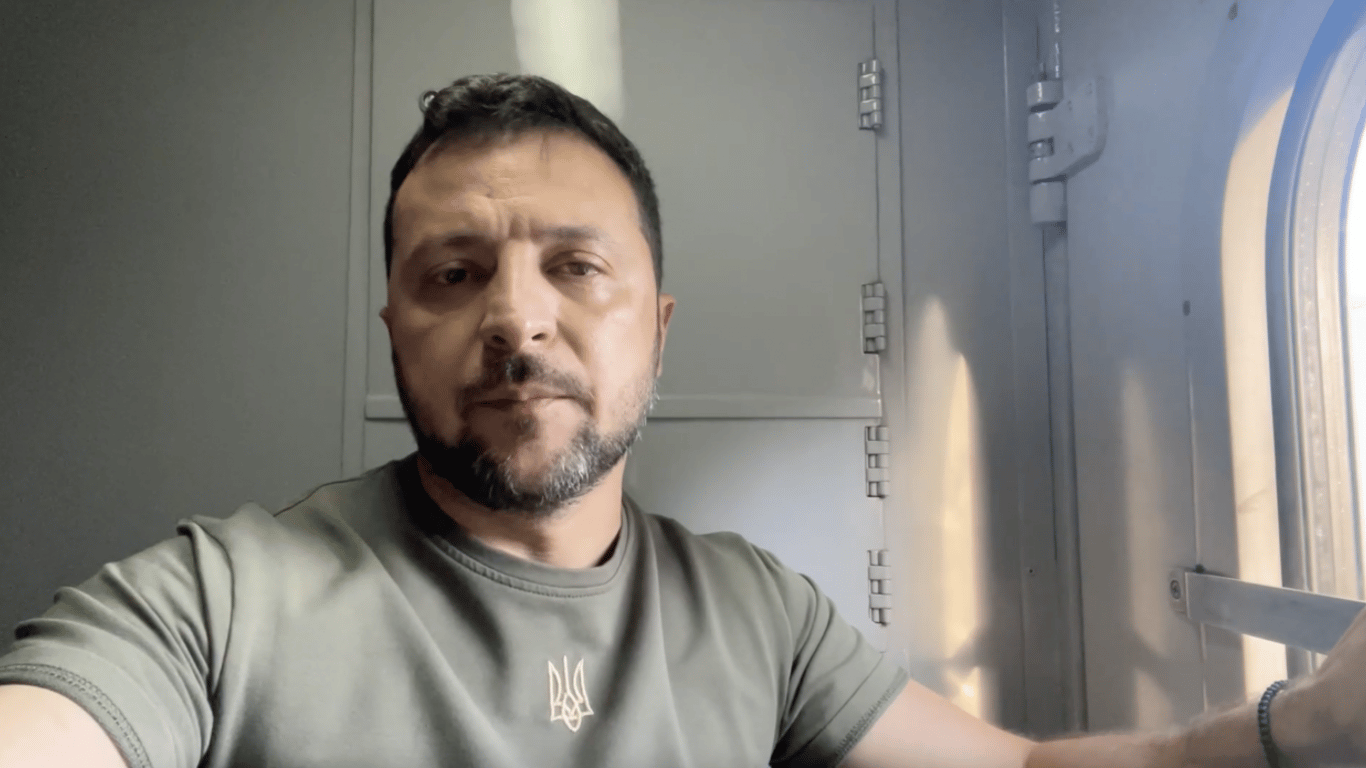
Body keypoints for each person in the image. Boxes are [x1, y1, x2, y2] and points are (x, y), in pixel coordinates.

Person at [0, 72, 1363, 768]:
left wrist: (1303, 727)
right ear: (394, 328)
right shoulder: (213, 605)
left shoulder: (754, 616)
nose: (517, 322)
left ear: (655, 327)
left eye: (575, 267)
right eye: (453, 274)